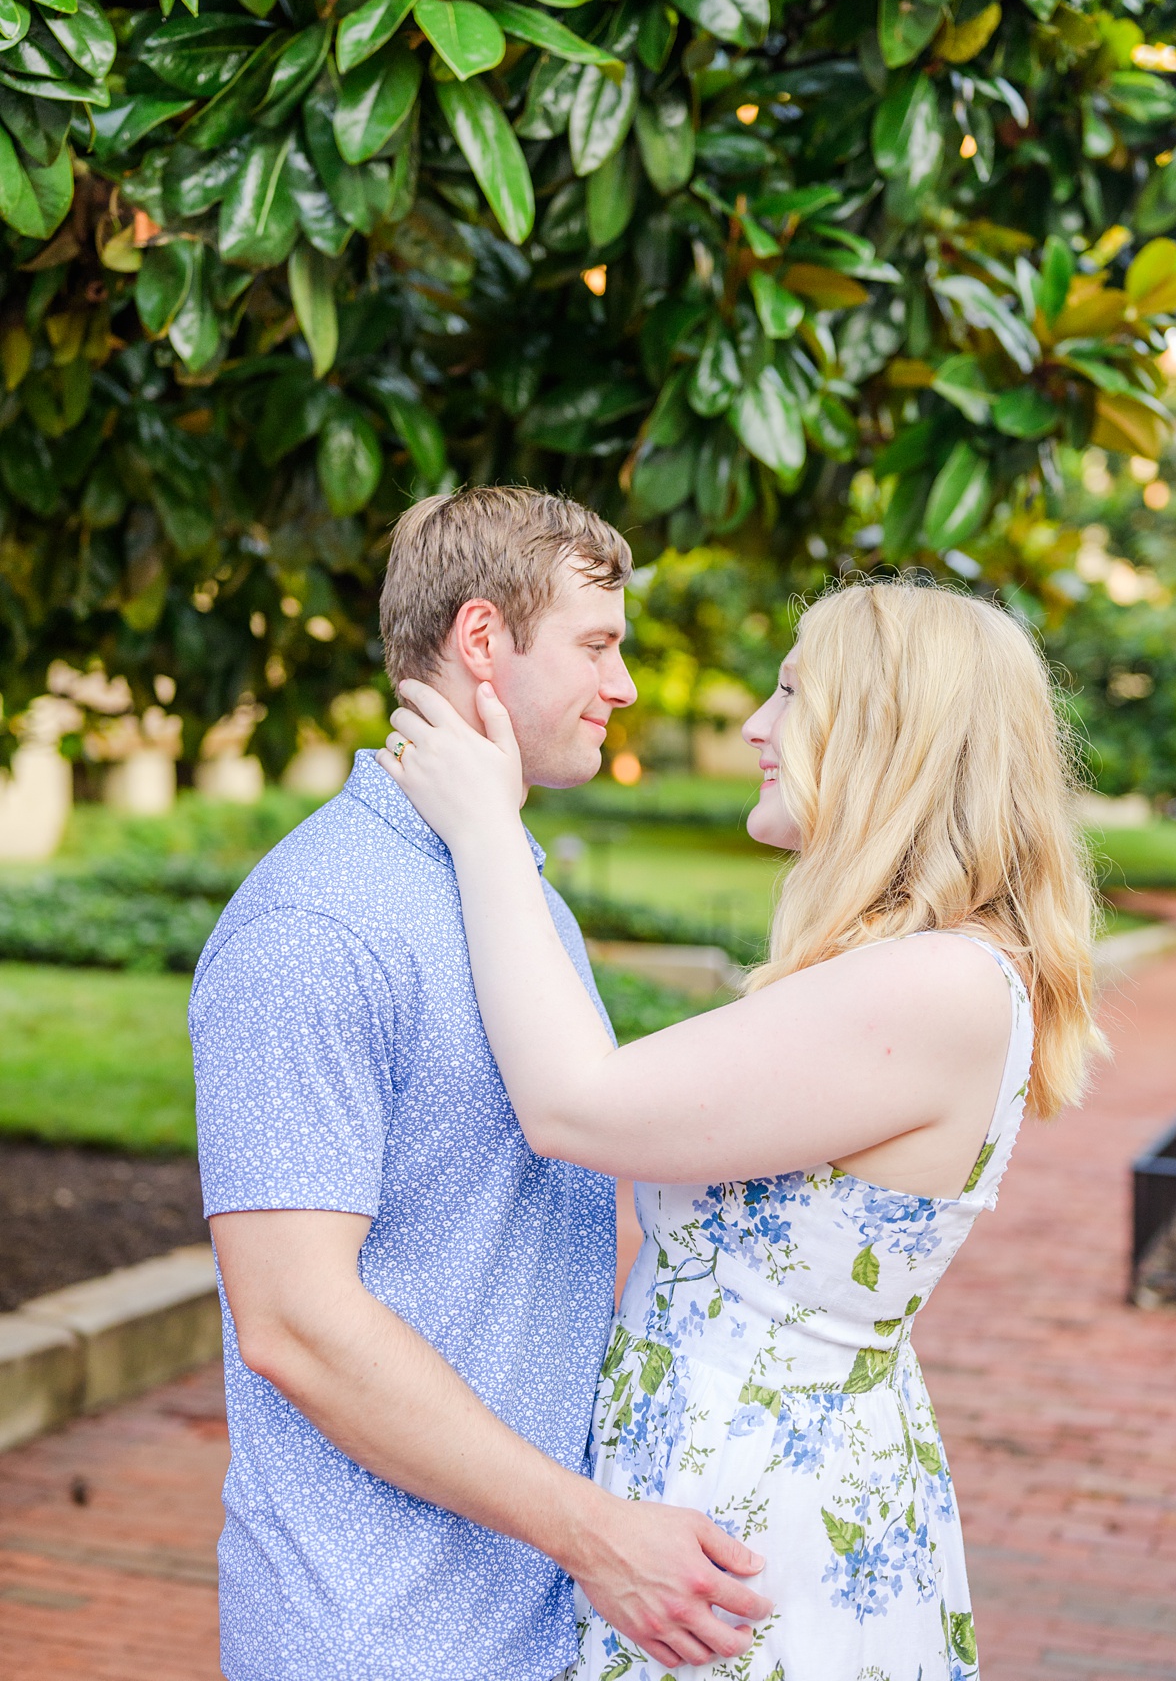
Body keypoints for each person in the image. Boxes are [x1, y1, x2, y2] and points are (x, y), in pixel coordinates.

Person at [379, 574, 1103, 1681]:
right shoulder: (910, 970)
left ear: (886, 735)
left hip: (749, 1531)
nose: (758, 727)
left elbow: (576, 1103)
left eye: (790, 692)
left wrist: (485, 825)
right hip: (726, 1499)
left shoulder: (936, 984)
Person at [195, 486, 772, 1681]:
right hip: (377, 1634)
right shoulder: (315, 926)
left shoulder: (512, 888)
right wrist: (596, 1532)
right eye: (598, 647)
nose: (622, 688)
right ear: (480, 643)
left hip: (532, 1617)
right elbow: (294, 1321)